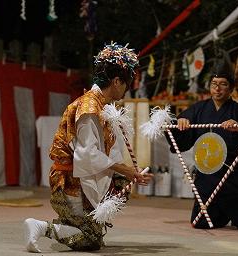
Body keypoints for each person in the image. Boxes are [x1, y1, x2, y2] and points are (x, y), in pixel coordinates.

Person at [24, 43, 153, 252]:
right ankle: (42, 227)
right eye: (126, 83)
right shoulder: (89, 107)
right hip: (69, 182)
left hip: (79, 176)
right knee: (89, 240)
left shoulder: (101, 105)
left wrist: (128, 173)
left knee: (119, 186)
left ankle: (74, 225)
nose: (126, 89)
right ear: (116, 80)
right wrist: (126, 169)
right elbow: (87, 154)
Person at [166, 68, 238, 230]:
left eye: (223, 84)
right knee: (201, 223)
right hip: (206, 178)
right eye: (214, 84)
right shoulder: (198, 109)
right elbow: (180, 134)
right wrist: (180, 122)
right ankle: (223, 213)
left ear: (230, 89)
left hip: (231, 178)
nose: (217, 88)